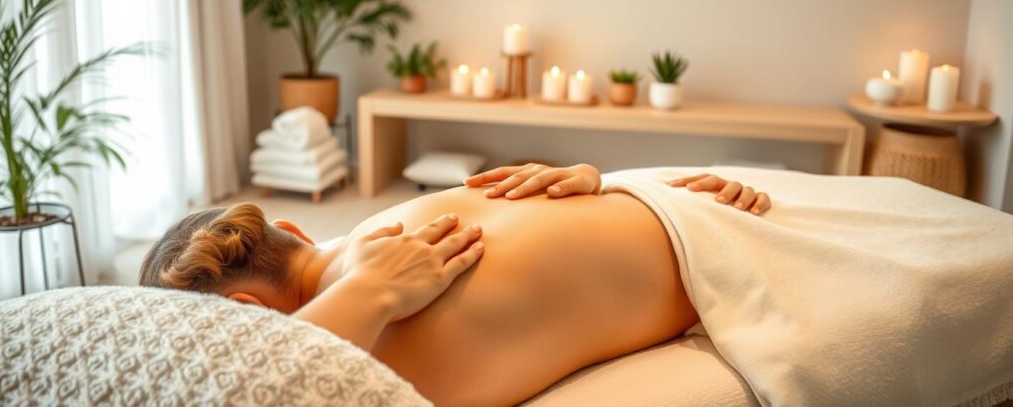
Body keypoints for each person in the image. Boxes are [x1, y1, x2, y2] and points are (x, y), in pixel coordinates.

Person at [140, 164, 771, 406]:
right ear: (288, 228)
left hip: (714, 235)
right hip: (699, 200)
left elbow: (260, 388)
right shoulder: (379, 234)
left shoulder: (377, 352)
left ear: (245, 311)